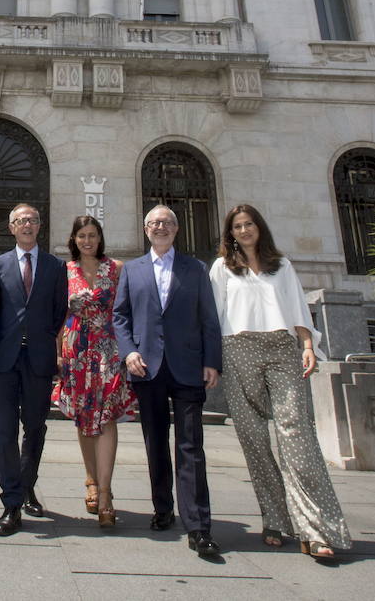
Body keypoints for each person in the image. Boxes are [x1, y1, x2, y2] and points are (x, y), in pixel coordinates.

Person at [211, 204, 353, 561]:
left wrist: (307, 344)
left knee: (298, 437)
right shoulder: (222, 268)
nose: (244, 231)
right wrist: (210, 361)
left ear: (260, 228)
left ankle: (315, 529)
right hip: (237, 346)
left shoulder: (282, 265)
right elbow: (213, 315)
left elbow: (296, 307)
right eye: (238, 226)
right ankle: (274, 518)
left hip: (281, 347)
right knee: (254, 439)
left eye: (249, 225)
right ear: (230, 233)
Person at [112, 204, 223, 557]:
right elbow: (120, 316)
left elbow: (209, 318)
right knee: (155, 442)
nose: (160, 227)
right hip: (148, 368)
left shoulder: (196, 269)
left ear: (176, 229)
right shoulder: (132, 269)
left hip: (189, 368)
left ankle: (198, 525)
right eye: (154, 223)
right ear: (146, 230)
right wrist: (128, 352)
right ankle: (162, 509)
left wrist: (212, 362)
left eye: (166, 222)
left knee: (191, 447)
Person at [0, 203, 67, 536]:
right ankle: (11, 502)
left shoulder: (55, 266)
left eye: (33, 220)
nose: (27, 225)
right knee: (4, 432)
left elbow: (59, 311)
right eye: (21, 220)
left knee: (34, 427)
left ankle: (27, 482)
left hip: (38, 359)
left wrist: (47, 343)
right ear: (11, 227)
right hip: (3, 360)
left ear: (40, 226)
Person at [52, 214, 136, 527]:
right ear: (73, 240)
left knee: (107, 417)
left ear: (100, 238)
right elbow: (59, 313)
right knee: (84, 417)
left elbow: (125, 309)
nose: (87, 241)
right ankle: (90, 478)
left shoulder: (117, 269)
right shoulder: (65, 270)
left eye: (92, 235)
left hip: (108, 350)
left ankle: (106, 492)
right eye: (82, 236)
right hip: (76, 350)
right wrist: (58, 351)